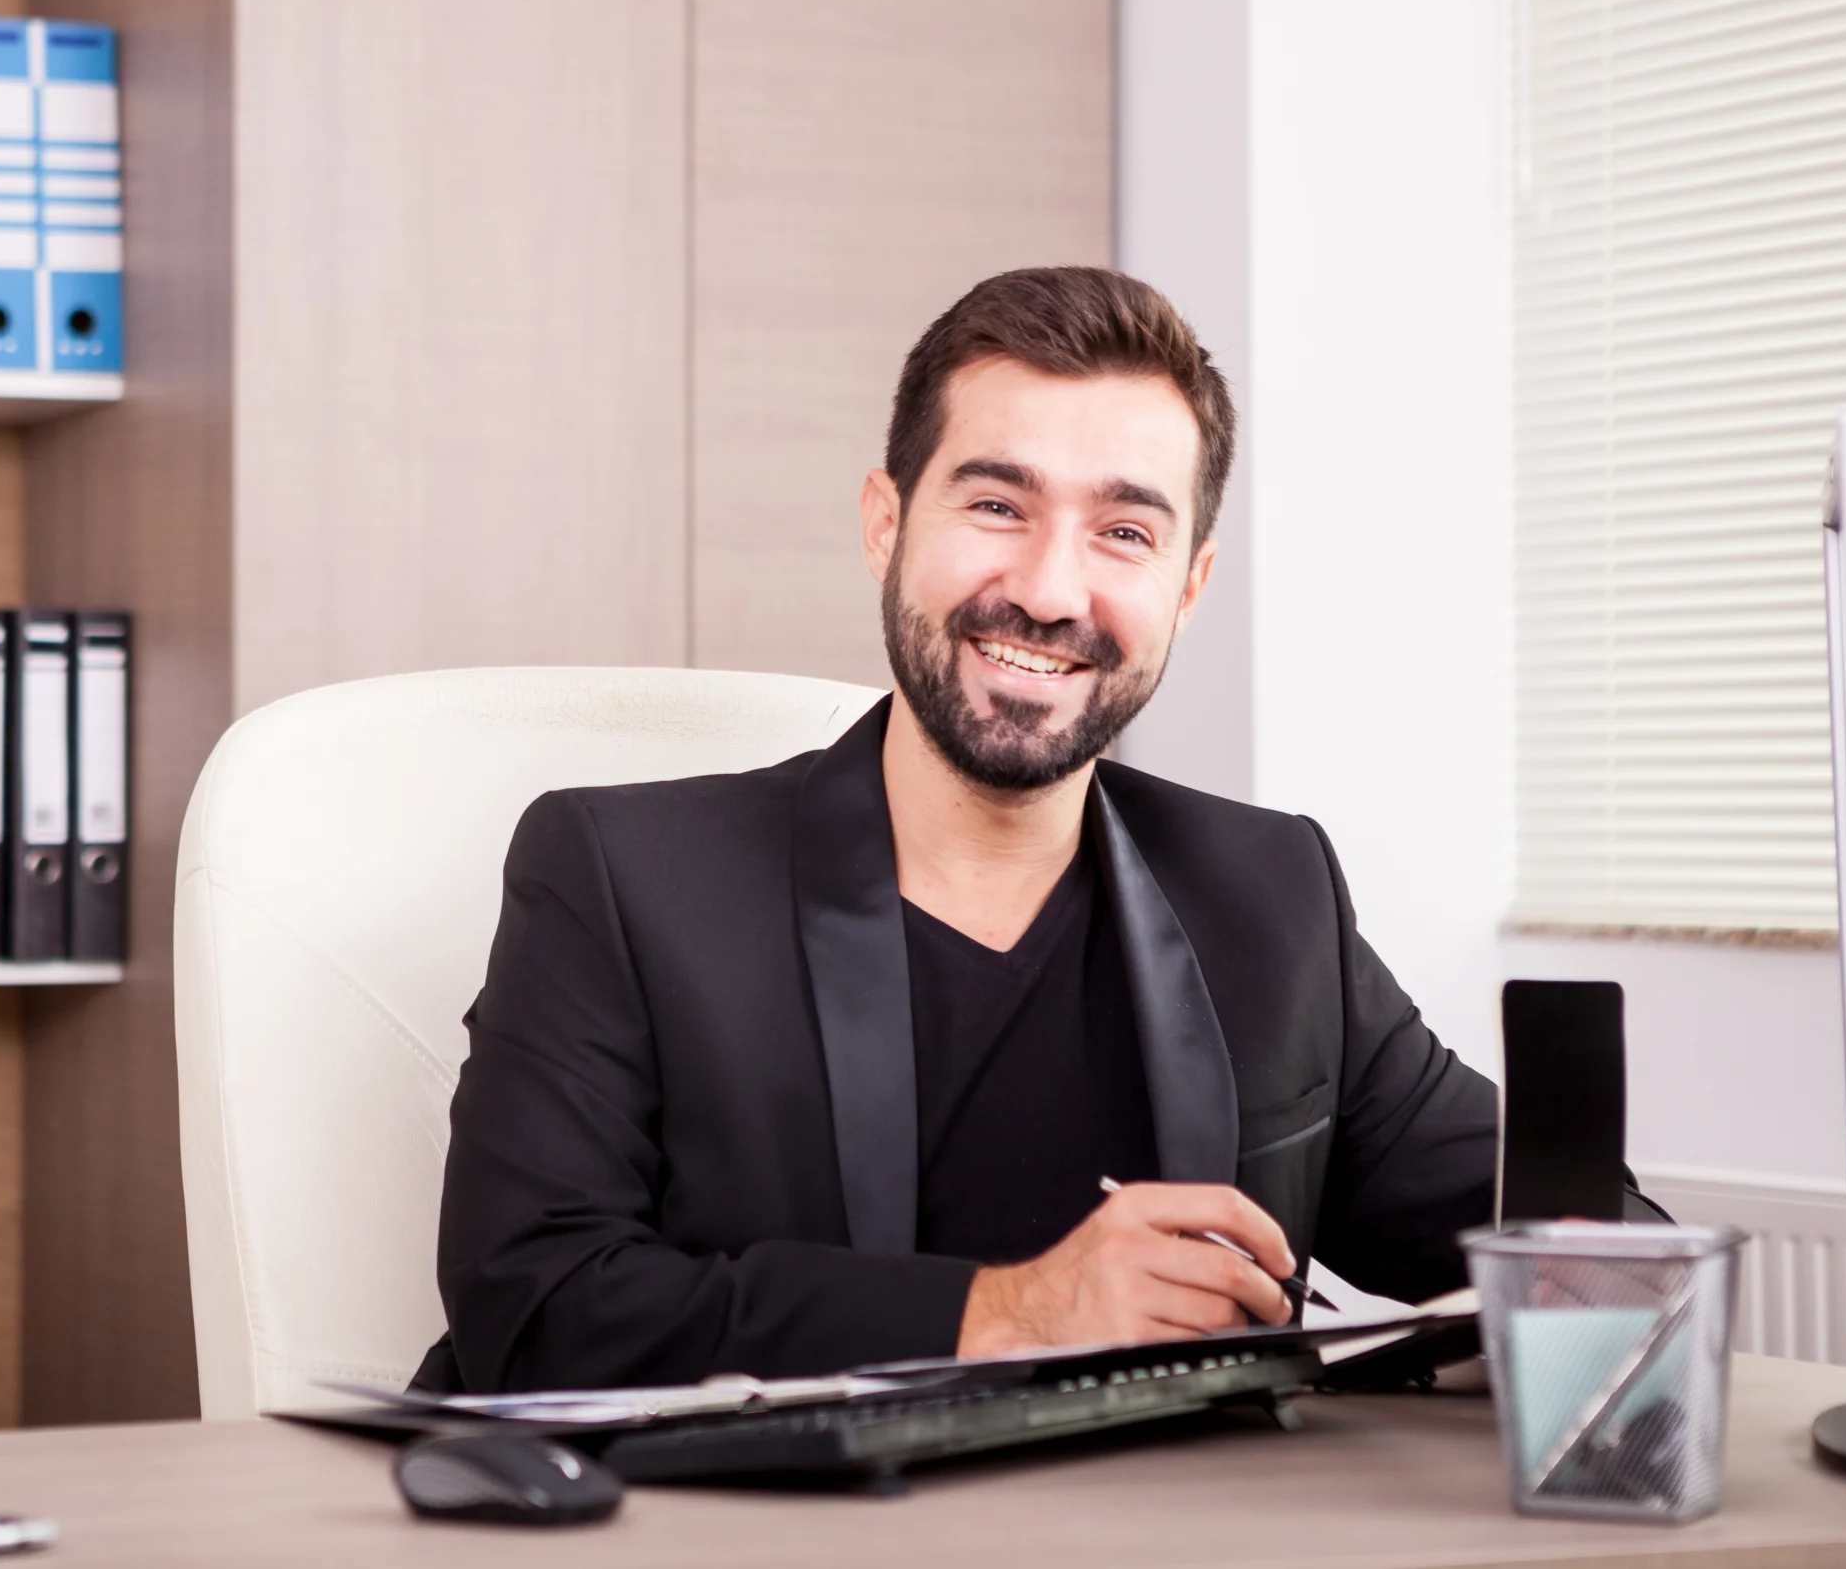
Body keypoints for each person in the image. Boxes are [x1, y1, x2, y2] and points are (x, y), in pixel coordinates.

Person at [417, 266, 1497, 1395]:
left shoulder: (1269, 894)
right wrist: (1014, 1310)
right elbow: (532, 1306)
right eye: (995, 507)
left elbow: (1565, 1225)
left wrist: (1556, 1326)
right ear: (885, 525)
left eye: (1124, 532)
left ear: (1187, 587)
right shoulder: (621, 879)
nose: (1047, 589)